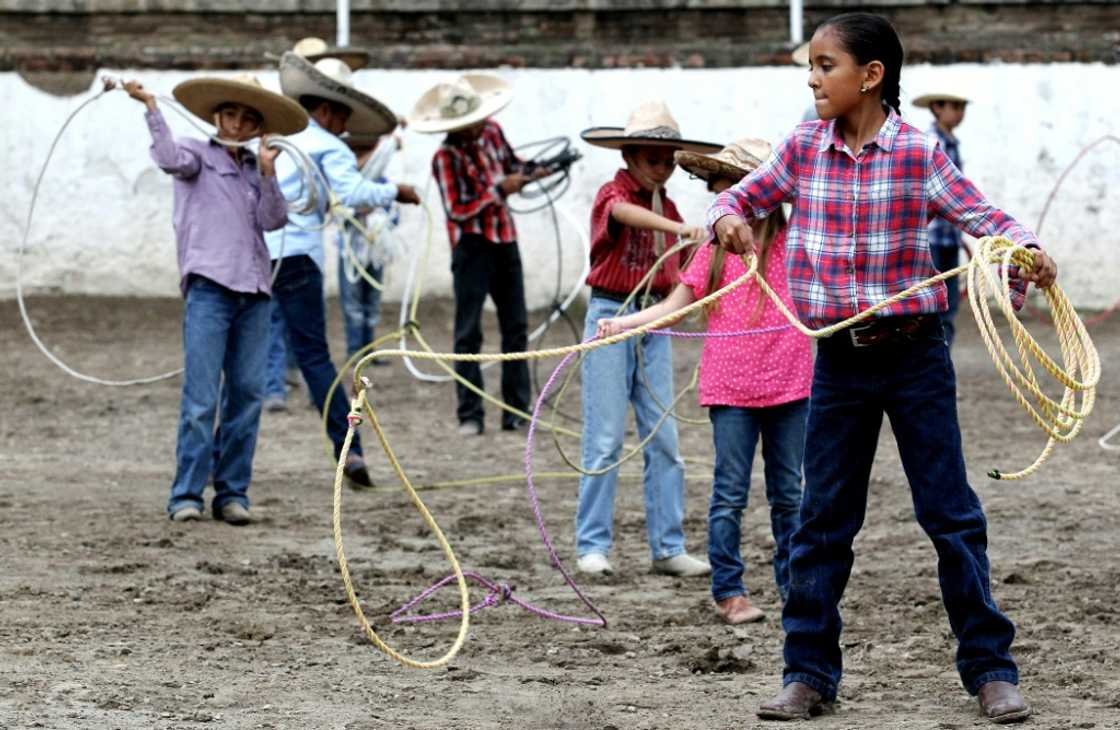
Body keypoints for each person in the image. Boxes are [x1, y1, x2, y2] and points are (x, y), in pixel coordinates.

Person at [708, 12, 1057, 723]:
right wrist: (726, 215)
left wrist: (1027, 250)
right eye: (811, 65)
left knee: (950, 514)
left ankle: (991, 669)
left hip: (914, 355)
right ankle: (807, 673)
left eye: (825, 65)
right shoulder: (803, 146)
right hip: (838, 358)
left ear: (872, 76)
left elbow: (984, 218)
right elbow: (741, 194)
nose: (812, 78)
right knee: (822, 521)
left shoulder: (918, 154)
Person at [596, 138, 812, 620]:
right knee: (730, 492)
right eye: (718, 195)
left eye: (730, 192)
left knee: (789, 495)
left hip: (791, 386)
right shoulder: (713, 253)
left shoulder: (795, 244)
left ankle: (795, 591)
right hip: (731, 391)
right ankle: (728, 591)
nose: (723, 206)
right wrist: (622, 324)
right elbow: (674, 307)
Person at [118, 74, 308, 524]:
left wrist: (267, 171)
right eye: (231, 115)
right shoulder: (194, 155)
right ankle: (186, 494)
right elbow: (166, 158)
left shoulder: (253, 169)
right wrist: (151, 108)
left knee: (246, 396)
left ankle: (232, 493)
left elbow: (273, 219)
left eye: (248, 118)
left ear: (258, 127)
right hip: (209, 290)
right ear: (216, 116)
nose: (238, 124)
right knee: (202, 398)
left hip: (256, 293)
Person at [574, 100, 719, 578]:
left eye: (668, 160)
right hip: (610, 315)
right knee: (605, 439)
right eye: (653, 159)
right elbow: (621, 213)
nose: (662, 168)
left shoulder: (669, 205)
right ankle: (592, 544)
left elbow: (676, 271)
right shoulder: (614, 194)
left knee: (664, 438)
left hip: (652, 323)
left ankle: (667, 545)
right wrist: (679, 229)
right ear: (630, 157)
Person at [267, 50, 421, 488]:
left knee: (241, 354)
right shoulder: (329, 146)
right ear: (330, 110)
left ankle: (215, 464)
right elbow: (352, 192)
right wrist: (397, 191)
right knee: (315, 356)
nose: (346, 126)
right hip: (298, 255)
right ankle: (348, 449)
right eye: (343, 117)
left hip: (256, 253)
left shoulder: (280, 140)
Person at [411, 74, 543, 436]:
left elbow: (512, 163)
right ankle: (470, 414)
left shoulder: (493, 132)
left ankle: (516, 410)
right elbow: (457, 208)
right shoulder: (445, 158)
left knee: (516, 327)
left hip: (504, 238)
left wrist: (531, 172)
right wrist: (501, 189)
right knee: (468, 333)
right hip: (472, 248)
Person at [336, 129, 405, 362]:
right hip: (351, 252)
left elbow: (394, 215)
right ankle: (355, 351)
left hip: (375, 253)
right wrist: (359, 210)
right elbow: (337, 214)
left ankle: (369, 351)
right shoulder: (345, 185)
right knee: (353, 303)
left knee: (371, 302)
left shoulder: (383, 183)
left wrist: (377, 214)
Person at [914, 90, 971, 347]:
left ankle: (942, 364)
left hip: (949, 238)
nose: (959, 113)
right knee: (932, 307)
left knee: (947, 307)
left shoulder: (952, 142)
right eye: (954, 106)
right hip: (932, 239)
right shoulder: (930, 143)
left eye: (961, 107)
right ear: (937, 108)